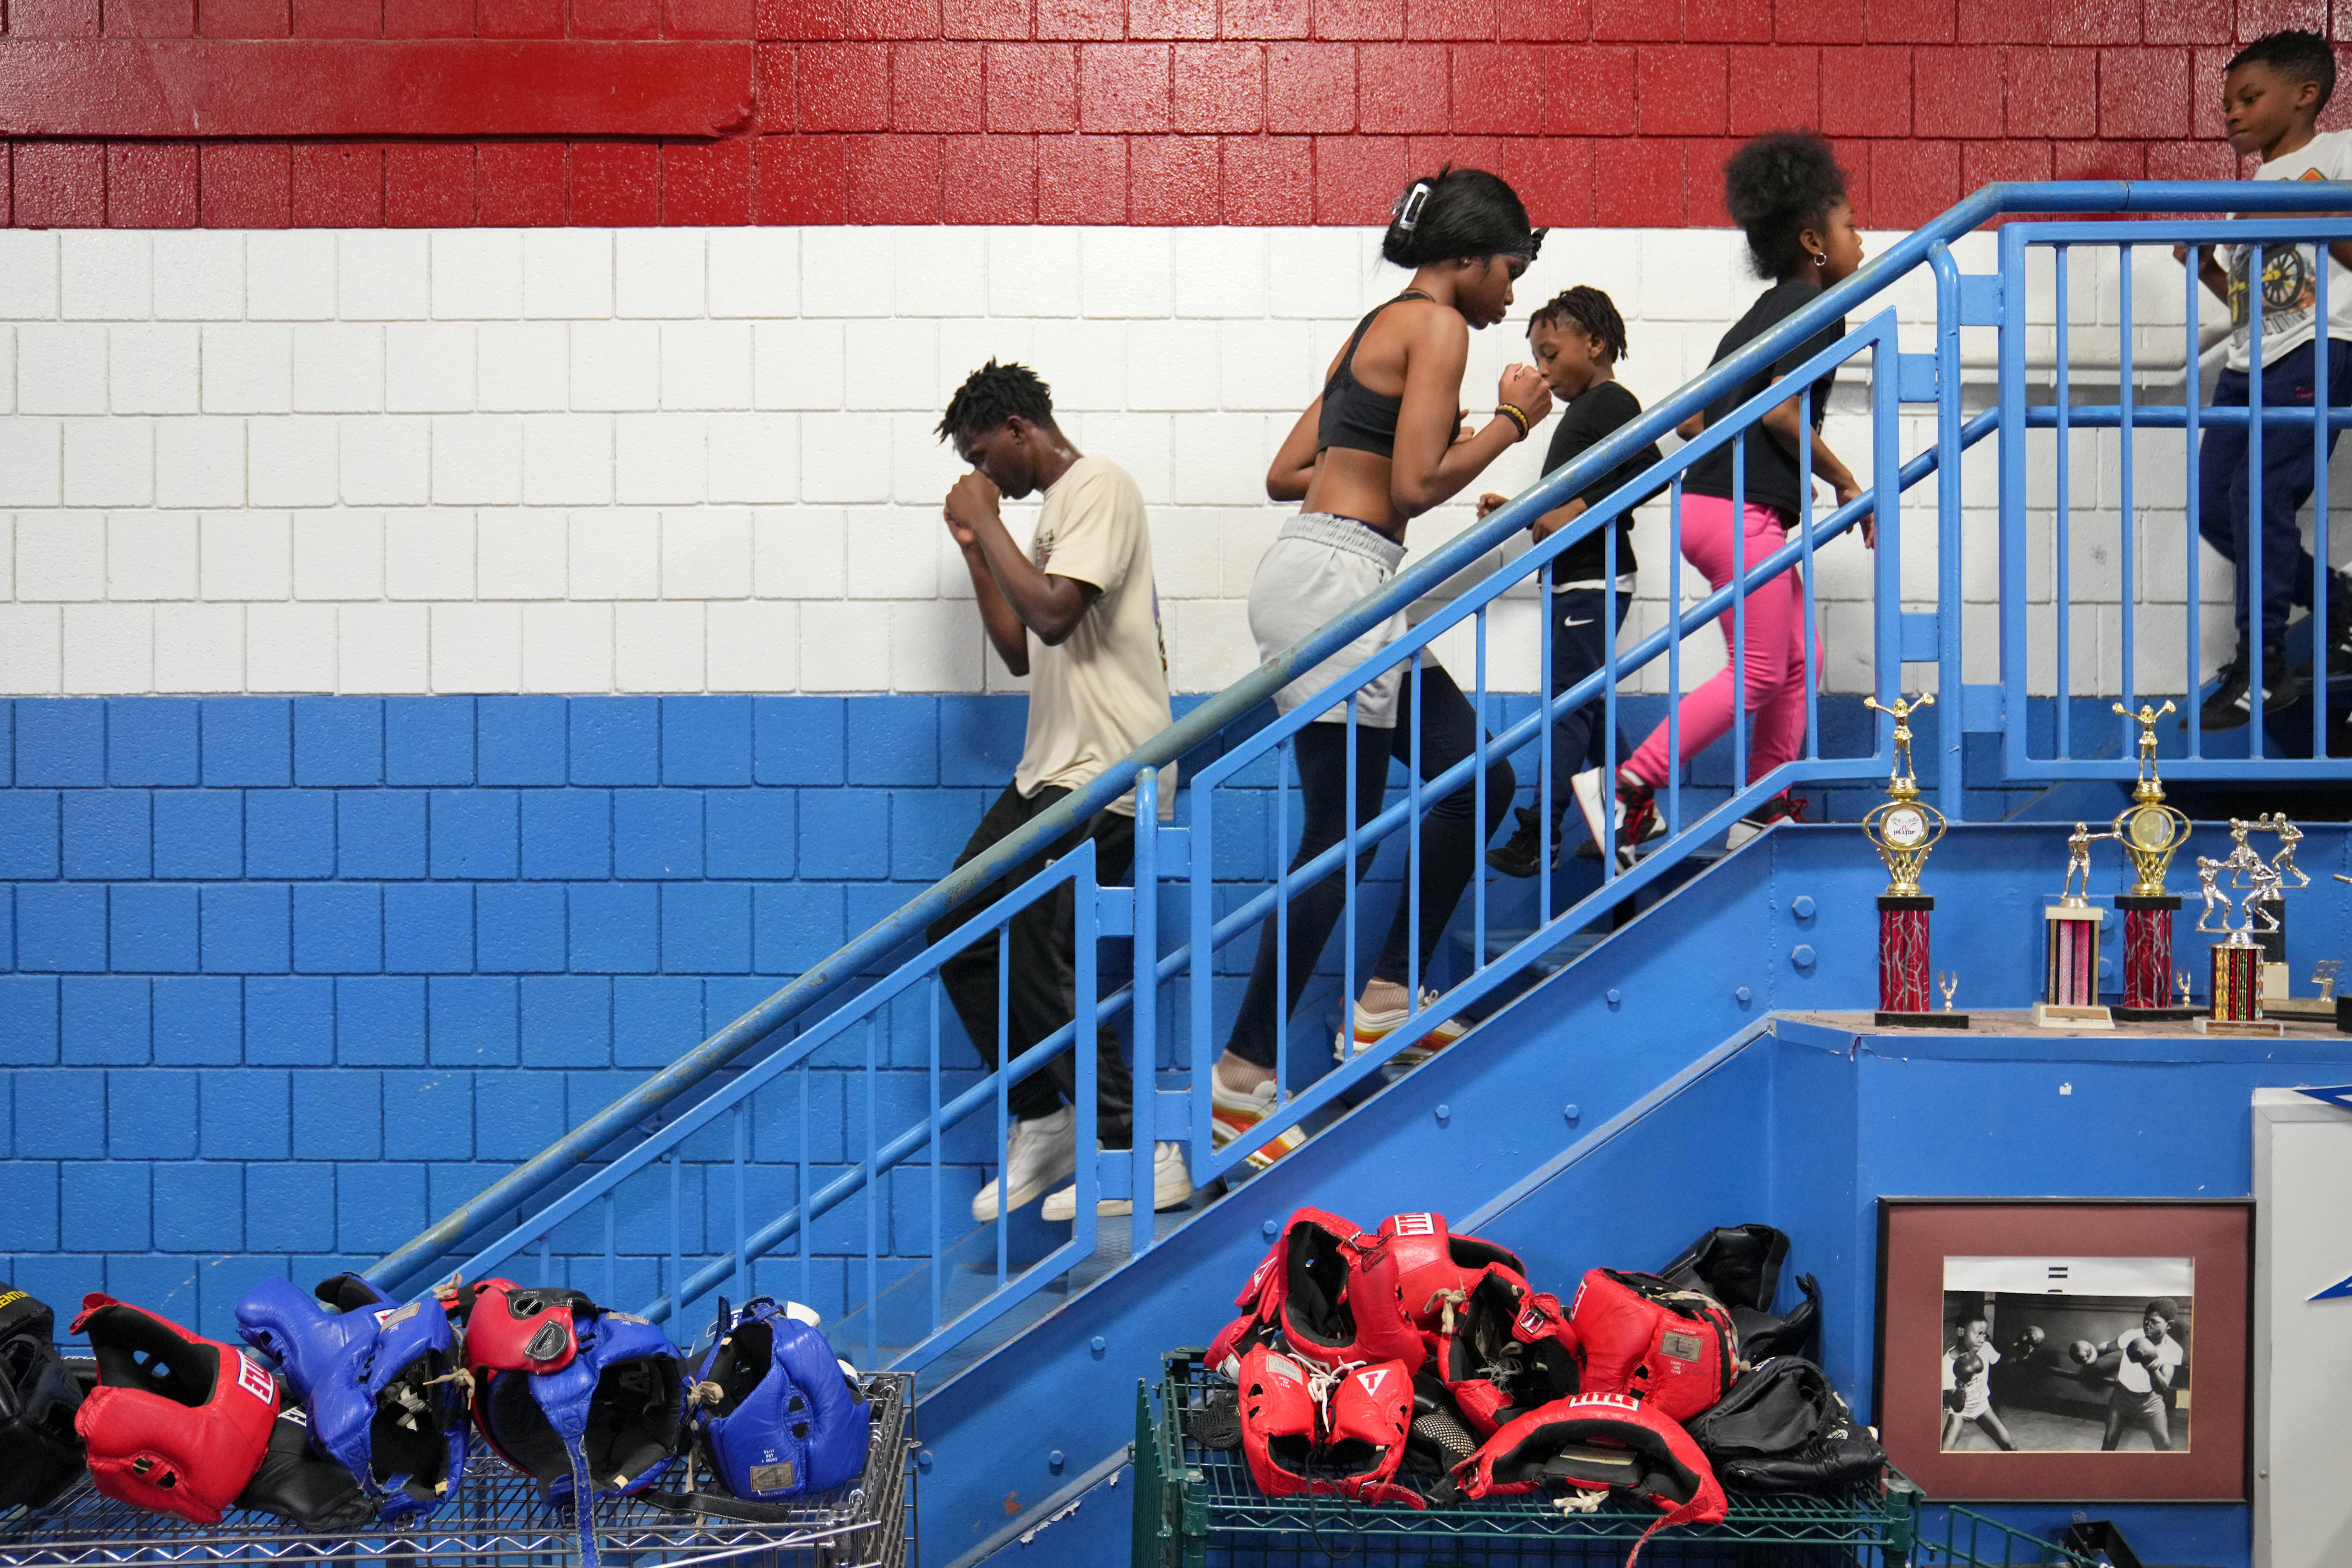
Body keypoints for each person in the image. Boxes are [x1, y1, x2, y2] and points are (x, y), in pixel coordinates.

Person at [1208, 168, 1549, 1168]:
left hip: (1337, 570)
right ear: (1468, 257)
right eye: (1511, 271)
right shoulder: (1438, 327)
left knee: (1472, 774)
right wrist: (1511, 420)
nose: (1514, 297)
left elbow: (1286, 473)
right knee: (1341, 830)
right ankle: (1241, 1080)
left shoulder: (1375, 326)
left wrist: (1367, 476)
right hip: (1340, 580)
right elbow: (1414, 482)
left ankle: (1387, 994)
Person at [926, 360, 1193, 1225]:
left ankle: (1134, 1145)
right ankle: (1044, 1115)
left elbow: (1051, 614)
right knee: (957, 929)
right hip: (1049, 770)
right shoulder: (1045, 523)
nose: (983, 474)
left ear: (1017, 428)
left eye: (982, 453)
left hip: (1111, 770)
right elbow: (1016, 646)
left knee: (1040, 942)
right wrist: (978, 550)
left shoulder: (1099, 486)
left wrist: (981, 518)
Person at [1578, 133, 1868, 867]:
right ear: (1813, 242)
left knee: (1799, 657)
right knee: (1762, 671)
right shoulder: (1814, 307)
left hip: (1716, 509)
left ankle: (1763, 804)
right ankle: (1630, 786)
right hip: (1735, 512)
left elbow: (1694, 419)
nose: (1860, 240)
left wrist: (1775, 473)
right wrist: (1841, 480)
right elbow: (1777, 412)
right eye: (1849, 227)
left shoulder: (1765, 310)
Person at [2180, 29, 2352, 728]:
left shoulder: (2338, 154)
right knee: (2216, 506)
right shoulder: (2247, 186)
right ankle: (2338, 601)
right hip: (2249, 360)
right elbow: (2254, 300)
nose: (2231, 113)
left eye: (2249, 98)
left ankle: (2263, 668)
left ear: (2306, 95)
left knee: (2258, 494)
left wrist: (2301, 213)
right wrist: (2207, 269)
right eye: (2226, 102)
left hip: (2320, 347)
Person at [1477, 286, 1664, 877]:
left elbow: (1651, 469)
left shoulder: (1610, 400)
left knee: (1569, 707)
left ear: (1596, 343)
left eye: (1551, 354)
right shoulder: (1587, 412)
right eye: (1537, 356)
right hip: (1577, 577)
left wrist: (1578, 506)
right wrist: (1526, 508)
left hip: (1596, 577)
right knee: (1588, 705)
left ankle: (1543, 831)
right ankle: (1636, 814)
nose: (1543, 369)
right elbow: (1566, 502)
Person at [2099, 1298, 2185, 1452]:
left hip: (2150, 1401)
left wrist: (2151, 1366)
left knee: (2164, 1444)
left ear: (2169, 1325)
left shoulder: (2174, 1349)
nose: (2148, 1325)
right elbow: (2107, 1347)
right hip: (2122, 1397)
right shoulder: (2133, 1335)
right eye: (2146, 1320)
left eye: (2154, 1322)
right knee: (2110, 1440)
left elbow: (2163, 1386)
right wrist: (2089, 1353)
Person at [1939, 1317, 2016, 1452]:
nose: (1982, 1339)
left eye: (1985, 1334)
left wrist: (2021, 1352)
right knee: (1945, 1451)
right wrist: (1962, 1382)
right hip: (1959, 1413)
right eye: (1978, 1334)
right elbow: (1957, 1407)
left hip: (1982, 1407)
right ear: (1961, 1331)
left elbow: (2001, 1362)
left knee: (2011, 1447)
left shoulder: (1985, 1347)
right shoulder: (1946, 1364)